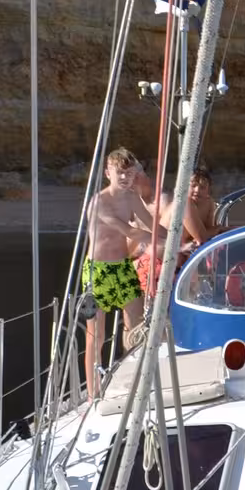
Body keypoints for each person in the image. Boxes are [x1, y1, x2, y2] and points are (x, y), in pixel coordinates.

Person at [83, 148, 152, 388]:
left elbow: (151, 222)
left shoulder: (132, 198)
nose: (125, 178)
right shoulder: (99, 202)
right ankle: (93, 392)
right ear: (108, 173)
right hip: (99, 271)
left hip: (123, 267)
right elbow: (130, 231)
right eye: (120, 173)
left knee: (135, 327)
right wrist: (161, 240)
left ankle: (132, 382)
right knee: (96, 335)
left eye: (130, 173)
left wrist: (174, 238)